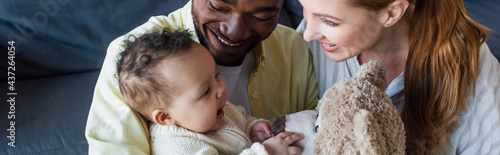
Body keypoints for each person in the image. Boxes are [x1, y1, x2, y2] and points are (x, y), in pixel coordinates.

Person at [85, 0, 318, 154]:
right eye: (219, 5)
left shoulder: (295, 49)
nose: (234, 31)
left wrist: (255, 128)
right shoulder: (134, 65)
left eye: (260, 16)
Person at [296, 0, 500, 154]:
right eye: (303, 6)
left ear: (391, 13)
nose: (308, 33)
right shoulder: (313, 41)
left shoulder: (471, 66)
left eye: (329, 21)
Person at [116, 28, 304, 154]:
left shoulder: (213, 110)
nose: (221, 89)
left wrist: (252, 128)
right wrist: (267, 151)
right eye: (205, 91)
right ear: (165, 117)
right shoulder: (178, 146)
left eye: (216, 75)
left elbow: (240, 120)